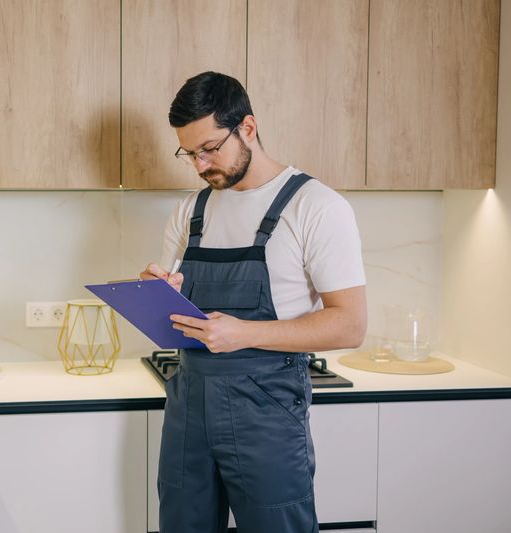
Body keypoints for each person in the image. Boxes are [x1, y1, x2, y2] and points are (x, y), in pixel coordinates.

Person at [139, 71, 367, 533]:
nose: (200, 165)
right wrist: (159, 293)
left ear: (247, 127)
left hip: (266, 410)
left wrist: (244, 334)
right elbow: (175, 313)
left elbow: (350, 326)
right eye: (189, 153)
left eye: (210, 149)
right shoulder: (191, 211)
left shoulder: (315, 207)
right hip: (189, 405)